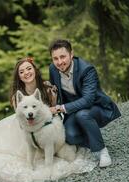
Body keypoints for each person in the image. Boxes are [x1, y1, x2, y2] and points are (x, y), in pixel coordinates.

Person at [0, 57, 97, 182]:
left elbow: (53, 111)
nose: (26, 73)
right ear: (19, 76)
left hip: (45, 125)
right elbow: (21, 118)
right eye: (22, 71)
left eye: (29, 68)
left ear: (34, 70)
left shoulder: (47, 87)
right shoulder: (17, 95)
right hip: (23, 126)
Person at [48, 39, 121, 167]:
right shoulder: (53, 70)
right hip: (73, 110)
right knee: (69, 135)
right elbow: (56, 91)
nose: (59, 62)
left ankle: (102, 151)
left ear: (71, 54)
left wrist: (60, 108)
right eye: (55, 58)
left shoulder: (87, 70)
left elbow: (88, 100)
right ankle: (92, 144)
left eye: (63, 57)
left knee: (82, 115)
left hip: (95, 107)